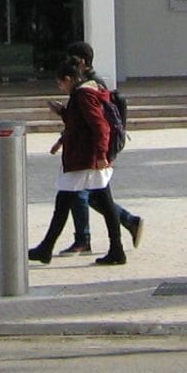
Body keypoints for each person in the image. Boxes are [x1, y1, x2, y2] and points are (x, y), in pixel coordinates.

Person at [30, 60, 128, 267]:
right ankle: (116, 250)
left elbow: (100, 126)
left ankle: (46, 248)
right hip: (88, 158)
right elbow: (80, 123)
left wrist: (101, 154)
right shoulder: (88, 93)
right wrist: (63, 112)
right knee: (104, 202)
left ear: (68, 79)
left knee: (64, 202)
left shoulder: (83, 95)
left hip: (85, 159)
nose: (60, 87)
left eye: (60, 84)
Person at [60, 40, 145, 254]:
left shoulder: (88, 87)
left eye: (71, 61)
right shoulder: (89, 84)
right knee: (97, 196)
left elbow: (97, 124)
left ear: (81, 62)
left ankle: (84, 239)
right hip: (92, 150)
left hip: (92, 152)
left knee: (79, 193)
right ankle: (126, 224)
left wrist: (101, 153)